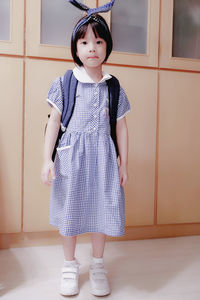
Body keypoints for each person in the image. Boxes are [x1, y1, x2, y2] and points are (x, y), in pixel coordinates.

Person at [41, 0, 130, 296]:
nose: (92, 47)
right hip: (71, 160)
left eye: (98, 40)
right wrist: (46, 160)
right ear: (75, 48)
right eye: (85, 41)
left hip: (103, 160)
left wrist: (123, 164)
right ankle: (69, 266)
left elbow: (121, 127)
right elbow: (53, 123)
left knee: (101, 211)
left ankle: (98, 266)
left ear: (107, 47)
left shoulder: (113, 86)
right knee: (70, 212)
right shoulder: (66, 82)